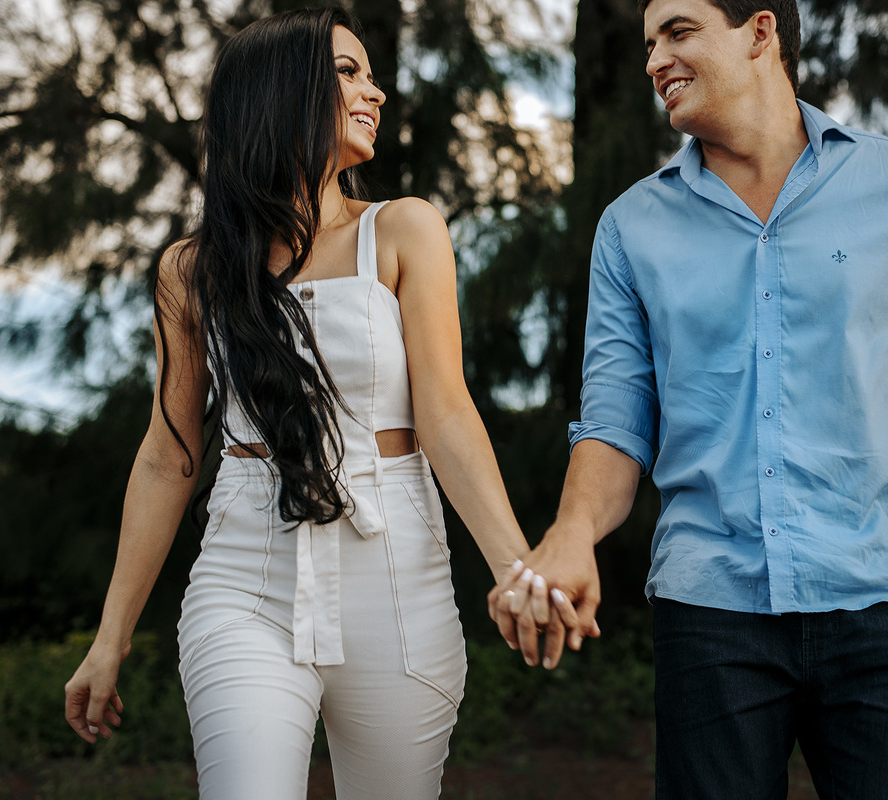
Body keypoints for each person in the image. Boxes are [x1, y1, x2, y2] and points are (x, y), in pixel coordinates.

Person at [491, 0, 888, 797]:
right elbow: (616, 420)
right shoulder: (630, 227)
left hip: (886, 604)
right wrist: (571, 534)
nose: (654, 61)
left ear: (760, 31)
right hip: (710, 613)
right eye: (648, 43)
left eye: (679, 32)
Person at [63, 8, 543, 798]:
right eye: (348, 73)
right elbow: (168, 456)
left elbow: (447, 414)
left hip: (397, 580)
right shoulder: (192, 270)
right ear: (282, 90)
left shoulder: (404, 230)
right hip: (245, 576)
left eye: (372, 74)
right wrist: (109, 638)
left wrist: (516, 571)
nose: (374, 92)